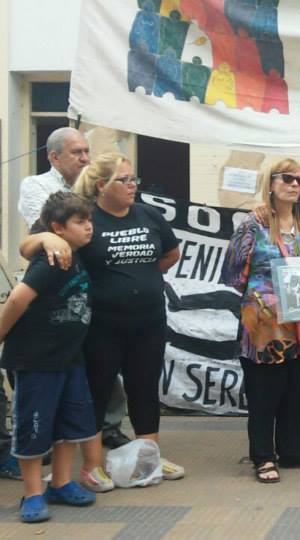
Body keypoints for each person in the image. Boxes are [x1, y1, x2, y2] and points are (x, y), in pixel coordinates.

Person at [21, 152, 186, 491]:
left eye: (134, 179)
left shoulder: (148, 214)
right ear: (101, 185)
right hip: (101, 325)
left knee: (144, 389)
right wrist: (46, 238)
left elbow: (171, 253)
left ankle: (148, 459)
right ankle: (93, 466)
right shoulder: (85, 217)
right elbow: (28, 247)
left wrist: (138, 278)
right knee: (96, 391)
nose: (132, 185)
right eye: (124, 180)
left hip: (148, 322)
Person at [16, 127, 131, 452]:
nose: (85, 158)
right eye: (77, 152)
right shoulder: (36, 185)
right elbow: (47, 227)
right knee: (58, 367)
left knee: (103, 360)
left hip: (93, 282)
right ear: (54, 157)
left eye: (86, 151)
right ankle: (47, 439)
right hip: (55, 284)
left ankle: (107, 427)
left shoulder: (95, 186)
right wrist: (48, 236)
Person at [221, 159, 300, 483]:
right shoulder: (253, 224)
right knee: (264, 392)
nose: (294, 185)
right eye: (287, 178)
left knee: (297, 388)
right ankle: (264, 456)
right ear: (271, 183)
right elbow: (233, 272)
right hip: (263, 324)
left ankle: (293, 451)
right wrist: (265, 295)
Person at [1, 192, 97, 522]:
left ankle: (60, 482)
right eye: (80, 222)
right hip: (36, 361)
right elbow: (17, 300)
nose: (89, 227)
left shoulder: (75, 253)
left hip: (69, 359)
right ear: (58, 228)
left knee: (69, 425)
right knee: (33, 427)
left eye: (89, 220)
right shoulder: (51, 260)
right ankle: (32, 493)